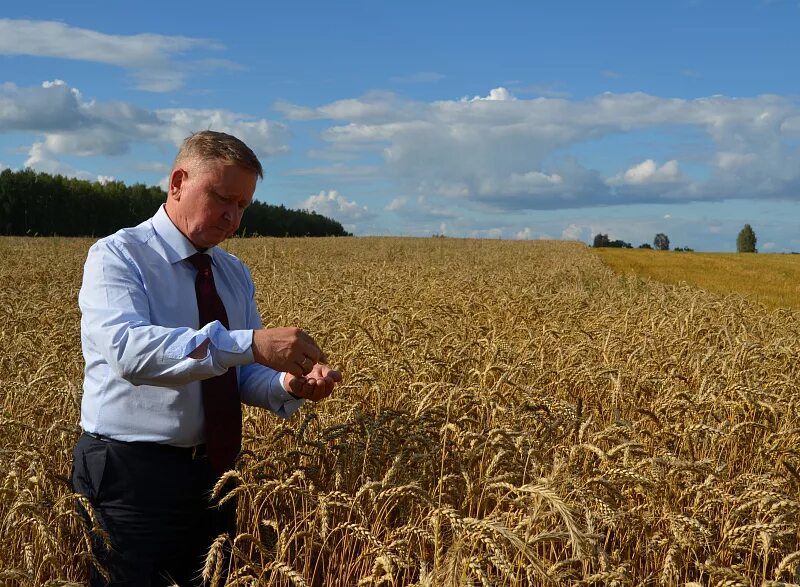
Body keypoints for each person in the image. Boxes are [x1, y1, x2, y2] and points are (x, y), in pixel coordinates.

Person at [71, 130, 341, 586]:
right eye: (222, 198)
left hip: (215, 474)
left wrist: (287, 385)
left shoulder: (232, 273)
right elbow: (130, 353)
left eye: (243, 206)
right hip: (129, 476)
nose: (233, 217)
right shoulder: (118, 257)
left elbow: (239, 371)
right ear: (178, 181)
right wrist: (251, 344)